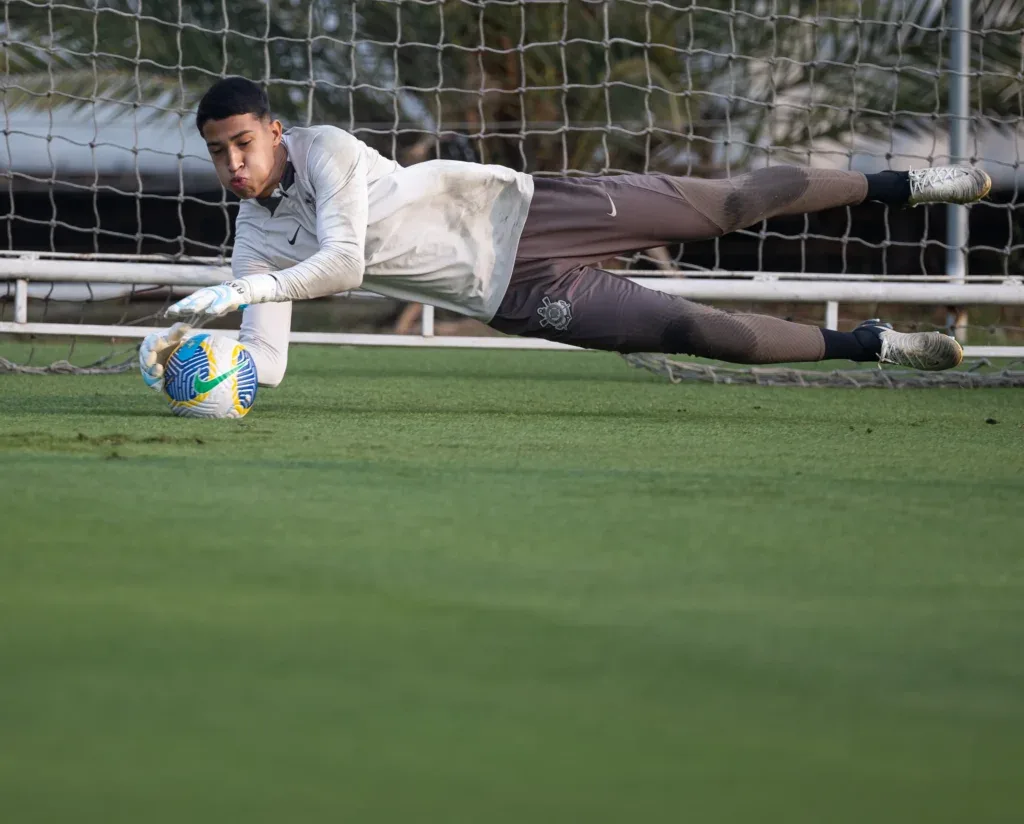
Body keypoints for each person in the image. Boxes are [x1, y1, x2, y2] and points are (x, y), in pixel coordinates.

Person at [140, 77, 992, 392]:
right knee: (696, 333)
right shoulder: (254, 236)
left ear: (275, 132)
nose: (233, 165)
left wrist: (248, 289)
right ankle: (873, 346)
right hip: (517, 293)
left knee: (729, 204)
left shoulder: (325, 150)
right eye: (219, 154)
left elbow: (346, 261)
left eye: (242, 144)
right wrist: (194, 361)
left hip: (536, 208)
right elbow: (273, 365)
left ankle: (901, 184)